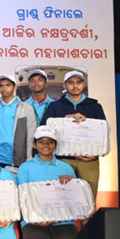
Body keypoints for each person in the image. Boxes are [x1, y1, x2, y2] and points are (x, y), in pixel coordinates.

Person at [40, 70, 106, 200]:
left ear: (84, 85)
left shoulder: (95, 106)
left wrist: (95, 153)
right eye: (71, 83)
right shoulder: (55, 106)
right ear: (64, 85)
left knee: (88, 198)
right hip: (63, 160)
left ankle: (88, 215)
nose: (75, 86)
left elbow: (102, 133)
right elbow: (44, 129)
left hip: (89, 161)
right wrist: (66, 119)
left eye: (78, 82)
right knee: (63, 196)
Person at [17, 126, 77, 239]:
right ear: (34, 144)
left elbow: (74, 197)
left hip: (62, 220)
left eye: (50, 142)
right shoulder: (25, 167)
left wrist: (72, 183)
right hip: (34, 220)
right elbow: (23, 196)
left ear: (55, 145)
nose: (46, 145)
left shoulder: (66, 167)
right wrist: (36, 218)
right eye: (41, 142)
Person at [0, 74, 36, 168]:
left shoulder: (26, 109)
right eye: (1, 86)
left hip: (18, 159)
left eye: (8, 85)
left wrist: (29, 157)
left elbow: (31, 135)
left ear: (15, 87)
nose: (4, 88)